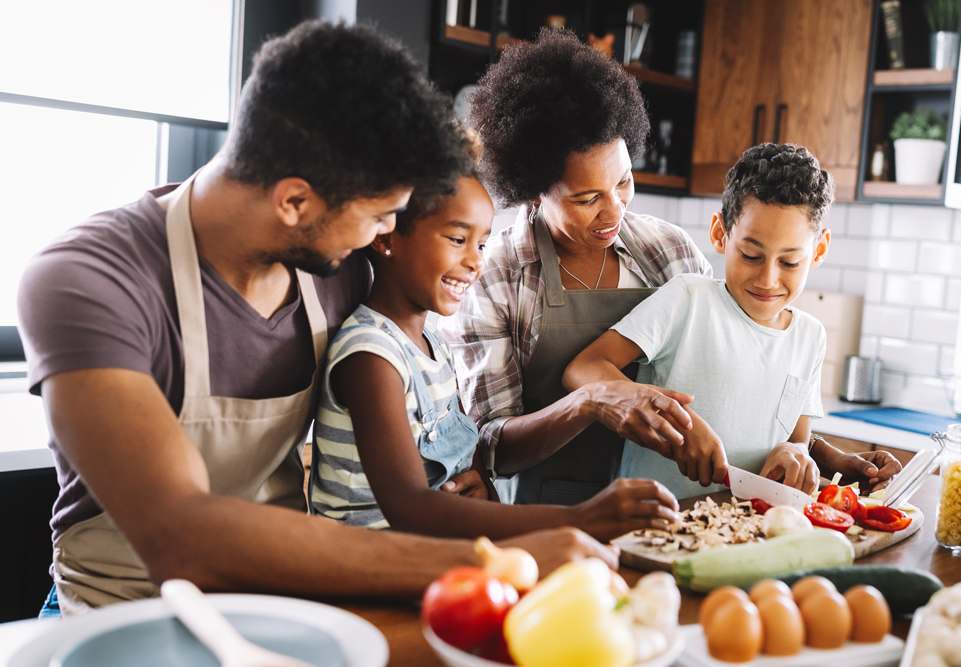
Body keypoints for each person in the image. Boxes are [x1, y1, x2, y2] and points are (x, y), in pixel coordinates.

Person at [18, 21, 613, 617]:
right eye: (382, 216)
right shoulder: (85, 282)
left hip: (279, 604)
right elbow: (180, 537)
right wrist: (495, 557)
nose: (387, 234)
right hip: (118, 610)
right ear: (295, 201)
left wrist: (458, 479)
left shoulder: (339, 266)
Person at [310, 151, 681, 540]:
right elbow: (410, 507)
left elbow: (460, 469)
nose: (475, 262)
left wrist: (480, 485)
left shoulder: (430, 345)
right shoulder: (372, 355)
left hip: (426, 554)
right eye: (458, 239)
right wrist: (578, 520)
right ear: (385, 237)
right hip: (368, 567)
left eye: (482, 244)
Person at [441, 29, 724, 507]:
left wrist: (808, 447)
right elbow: (491, 448)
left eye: (624, 182)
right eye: (587, 198)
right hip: (546, 513)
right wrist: (590, 402)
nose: (614, 211)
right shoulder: (496, 275)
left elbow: (724, 370)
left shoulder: (669, 252)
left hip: (668, 507)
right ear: (533, 189)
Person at [564, 143, 903, 500]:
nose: (768, 279)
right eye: (751, 255)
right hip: (654, 526)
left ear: (818, 251)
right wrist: (676, 420)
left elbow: (796, 440)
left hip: (746, 533)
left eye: (789, 262)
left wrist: (794, 454)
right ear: (720, 234)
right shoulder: (688, 300)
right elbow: (583, 369)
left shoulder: (810, 337)